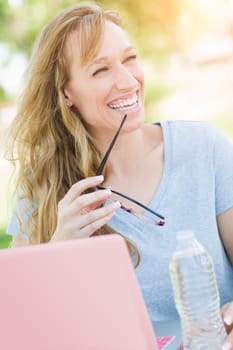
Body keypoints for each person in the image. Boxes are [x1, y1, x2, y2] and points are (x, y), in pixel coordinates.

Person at [5, 2, 233, 348]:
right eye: (100, 71)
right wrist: (60, 249)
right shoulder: (43, 188)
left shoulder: (204, 149)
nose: (128, 81)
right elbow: (22, 333)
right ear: (66, 92)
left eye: (129, 59)